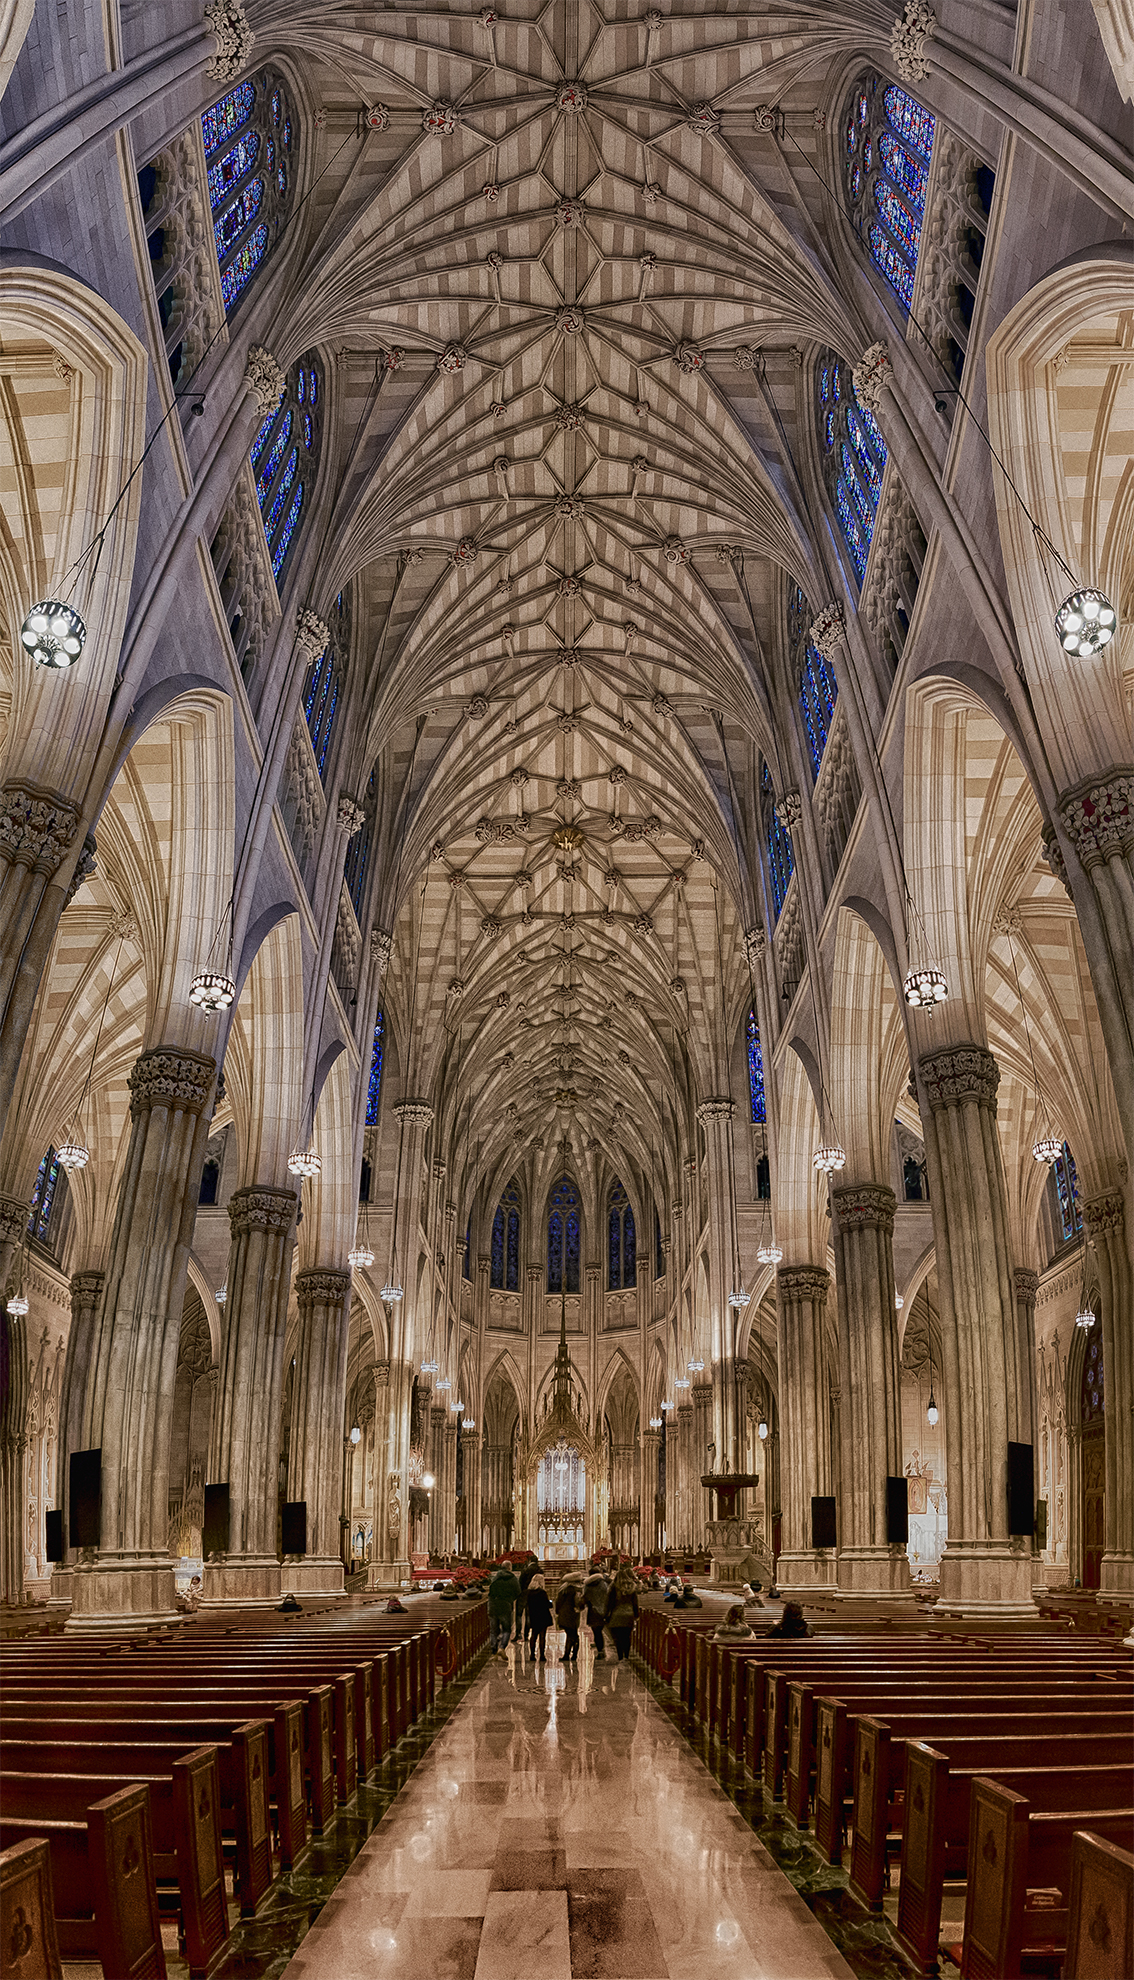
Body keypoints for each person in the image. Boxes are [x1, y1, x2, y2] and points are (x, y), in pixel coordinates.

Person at [603, 1564, 640, 1660]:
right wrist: (636, 1615)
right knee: (627, 1636)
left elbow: (609, 1602)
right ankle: (626, 1655)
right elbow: (635, 1603)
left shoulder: (614, 1587)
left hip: (617, 1614)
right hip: (629, 1614)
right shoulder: (632, 1587)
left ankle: (620, 1656)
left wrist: (606, 1614)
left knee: (618, 1637)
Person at [488, 1561, 521, 1654]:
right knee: (506, 1629)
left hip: (493, 1605)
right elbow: (518, 1592)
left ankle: (494, 1647)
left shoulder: (495, 1578)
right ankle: (502, 1647)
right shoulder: (513, 1579)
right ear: (510, 1568)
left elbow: (491, 1591)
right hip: (506, 1605)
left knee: (493, 1629)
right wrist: (510, 1599)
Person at [582, 1564, 610, 1655]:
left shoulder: (588, 1585)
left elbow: (585, 1598)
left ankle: (600, 1649)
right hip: (604, 1609)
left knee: (596, 1631)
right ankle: (601, 1648)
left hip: (593, 1610)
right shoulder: (604, 1584)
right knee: (600, 1630)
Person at [525, 1570, 553, 1661]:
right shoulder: (542, 1593)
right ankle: (542, 1655)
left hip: (533, 1615)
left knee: (533, 1635)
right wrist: (550, 1602)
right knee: (542, 1636)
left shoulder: (529, 1593)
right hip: (543, 1615)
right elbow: (547, 1604)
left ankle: (532, 1654)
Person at [555, 1576, 583, 1662]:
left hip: (564, 1614)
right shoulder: (578, 1590)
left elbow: (558, 1602)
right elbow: (580, 1603)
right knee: (573, 1635)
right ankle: (573, 1654)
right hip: (573, 1615)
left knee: (570, 1634)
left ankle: (567, 1654)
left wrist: (557, 1612)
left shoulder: (563, 1590)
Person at [517, 1553, 540, 1643]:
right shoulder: (539, 1570)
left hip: (524, 1593)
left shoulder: (526, 1570)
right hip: (536, 1594)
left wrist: (520, 1592)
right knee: (530, 1614)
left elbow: (521, 1582)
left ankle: (519, 1633)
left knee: (520, 1614)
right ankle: (530, 1634)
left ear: (530, 1561)